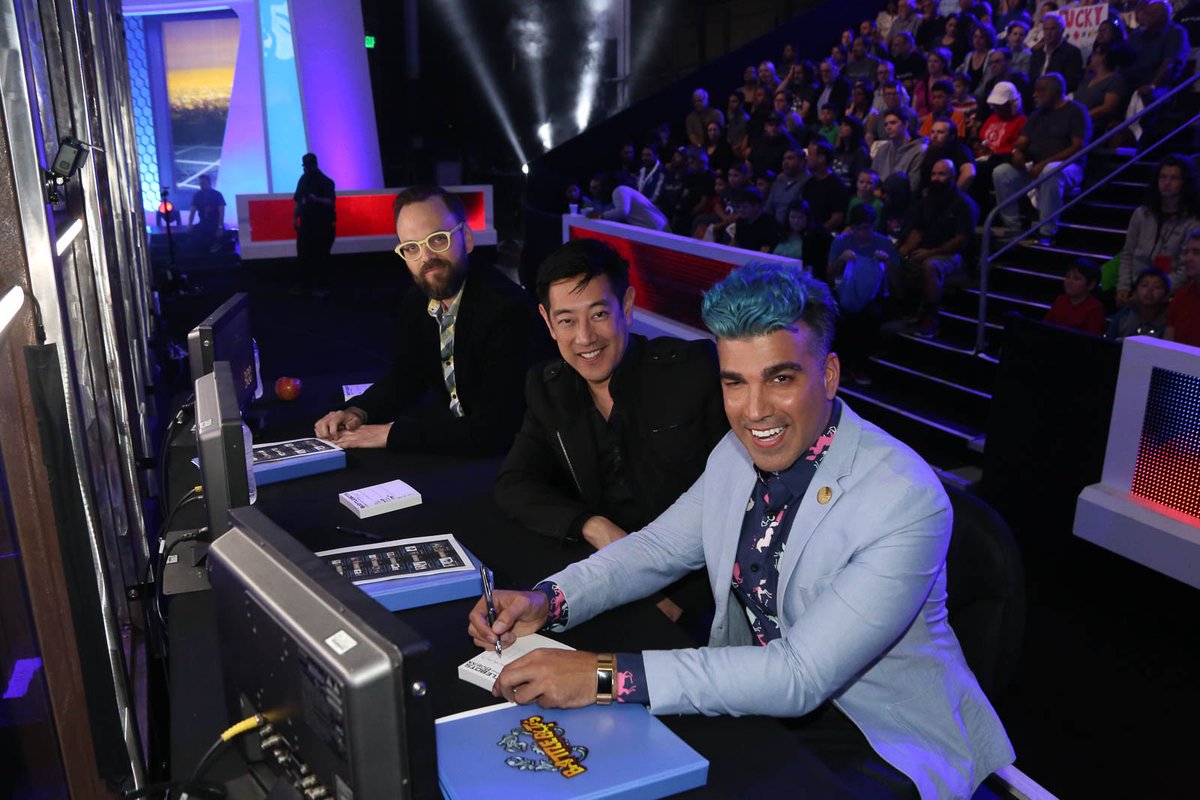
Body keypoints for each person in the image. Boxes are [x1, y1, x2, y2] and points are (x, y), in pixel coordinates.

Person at [469, 261, 1015, 800]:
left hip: (879, 736)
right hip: (757, 698)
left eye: (780, 378)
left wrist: (604, 677)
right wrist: (552, 597)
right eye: (735, 382)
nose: (754, 411)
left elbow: (799, 676)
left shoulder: (905, 498)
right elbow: (659, 547)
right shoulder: (736, 453)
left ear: (828, 375)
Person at [494, 239, 727, 627]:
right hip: (602, 581)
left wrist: (676, 599)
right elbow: (515, 483)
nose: (585, 337)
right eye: (566, 320)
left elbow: (737, 501)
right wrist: (594, 526)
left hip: (691, 599)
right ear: (548, 322)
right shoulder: (548, 388)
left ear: (628, 306)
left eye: (599, 314)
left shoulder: (692, 372)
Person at [313, 186, 548, 454]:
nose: (426, 258)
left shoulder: (509, 312)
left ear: (467, 239)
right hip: (456, 444)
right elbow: (408, 375)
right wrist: (359, 410)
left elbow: (493, 431)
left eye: (438, 239)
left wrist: (388, 434)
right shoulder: (417, 301)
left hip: (508, 458)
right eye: (411, 248)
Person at [991, 73, 1091, 244]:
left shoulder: (1075, 111)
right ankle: (1013, 226)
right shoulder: (1037, 114)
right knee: (1002, 172)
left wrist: (1044, 163)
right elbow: (1023, 141)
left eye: (1040, 91)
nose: (1034, 94)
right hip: (1035, 166)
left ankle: (1047, 231)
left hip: (1068, 167)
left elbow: (1078, 147)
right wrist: (1017, 152)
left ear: (1054, 91)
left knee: (1050, 170)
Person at [898, 159, 979, 337]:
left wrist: (931, 253)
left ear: (953, 177)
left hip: (955, 255)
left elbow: (961, 240)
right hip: (926, 249)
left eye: (942, 174)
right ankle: (909, 311)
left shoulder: (963, 203)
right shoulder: (928, 201)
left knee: (931, 265)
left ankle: (931, 318)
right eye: (934, 174)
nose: (936, 178)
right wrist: (902, 252)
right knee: (899, 261)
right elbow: (918, 230)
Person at [829, 204, 900, 383]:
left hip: (873, 296)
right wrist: (841, 260)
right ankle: (842, 365)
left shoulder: (884, 243)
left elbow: (897, 283)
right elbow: (829, 274)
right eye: (857, 229)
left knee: (868, 316)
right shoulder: (841, 242)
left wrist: (887, 262)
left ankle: (859, 365)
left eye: (866, 228)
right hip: (845, 293)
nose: (862, 233)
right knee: (838, 314)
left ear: (873, 226)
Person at [1117, 154, 1200, 305]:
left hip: (1167, 294)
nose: (1166, 183)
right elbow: (1128, 253)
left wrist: (1153, 292)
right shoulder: (1142, 214)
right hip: (1135, 286)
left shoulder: (1192, 222)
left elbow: (1185, 269)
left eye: (1174, 178)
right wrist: (1123, 287)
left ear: (1185, 182)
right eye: (1163, 177)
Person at [293, 152, 336, 294]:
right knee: (304, 256)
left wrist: (316, 199)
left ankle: (321, 287)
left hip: (322, 225)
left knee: (321, 256)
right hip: (306, 224)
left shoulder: (326, 182)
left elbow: (330, 202)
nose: (306, 168)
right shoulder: (303, 180)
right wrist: (295, 218)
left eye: (308, 165)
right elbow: (299, 200)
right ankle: (305, 286)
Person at [1043, 259, 1106, 335]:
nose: (1069, 281)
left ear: (1091, 285)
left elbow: (1092, 341)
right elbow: (1045, 327)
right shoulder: (1060, 300)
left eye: (1077, 278)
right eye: (1068, 277)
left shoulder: (1095, 309)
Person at [873, 109, 928, 191]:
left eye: (893, 123)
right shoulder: (882, 149)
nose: (888, 127)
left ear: (905, 124)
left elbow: (913, 185)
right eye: (886, 124)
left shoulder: (920, 150)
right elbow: (873, 178)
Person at [590, 175, 670, 232]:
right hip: (653, 227)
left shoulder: (620, 190)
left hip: (656, 228)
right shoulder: (620, 192)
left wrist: (600, 215)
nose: (591, 190)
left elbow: (622, 212)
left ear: (604, 187)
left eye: (595, 188)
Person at [1106, 269, 1171, 339]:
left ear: (1166, 297)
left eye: (1157, 287)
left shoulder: (1168, 323)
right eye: (1144, 285)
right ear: (1134, 293)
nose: (1150, 290)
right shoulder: (1124, 317)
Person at [802, 140, 850, 232]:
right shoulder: (809, 183)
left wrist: (818, 232)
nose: (807, 158)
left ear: (821, 158)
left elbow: (837, 218)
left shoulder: (836, 186)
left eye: (811, 154)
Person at [1028, 13, 1084, 89]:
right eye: (1045, 29)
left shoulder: (1072, 52)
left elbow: (1071, 82)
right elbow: (1031, 78)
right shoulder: (1037, 53)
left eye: (1052, 29)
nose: (1048, 33)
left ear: (1062, 30)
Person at [1166, 229, 1200, 346]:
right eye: (1186, 252)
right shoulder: (1180, 297)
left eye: (1196, 252)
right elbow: (1167, 348)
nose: (1187, 258)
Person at [764, 145, 809, 225]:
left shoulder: (808, 181)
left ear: (802, 162)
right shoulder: (779, 180)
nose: (785, 162)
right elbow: (768, 208)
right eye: (784, 159)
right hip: (774, 228)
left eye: (790, 158)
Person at [729, 187, 779, 253]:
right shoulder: (741, 220)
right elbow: (735, 242)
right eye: (739, 207)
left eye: (744, 207)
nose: (740, 210)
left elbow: (765, 250)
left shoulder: (770, 223)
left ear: (756, 206)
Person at [188, 173, 225, 254]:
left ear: (209, 183)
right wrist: (190, 224)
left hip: (215, 223)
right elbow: (192, 211)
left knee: (214, 233)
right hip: (203, 223)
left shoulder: (217, 195)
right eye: (200, 183)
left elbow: (221, 212)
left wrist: (220, 227)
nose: (202, 185)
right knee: (194, 233)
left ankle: (215, 245)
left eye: (204, 183)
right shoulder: (197, 195)